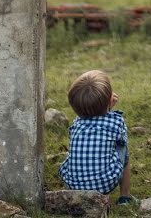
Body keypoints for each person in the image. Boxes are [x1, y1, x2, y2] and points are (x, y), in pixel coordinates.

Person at [59, 70, 134, 205]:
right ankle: (125, 197)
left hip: (72, 185)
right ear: (110, 101)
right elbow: (119, 139)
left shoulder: (76, 123)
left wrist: (106, 105)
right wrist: (109, 108)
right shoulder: (116, 121)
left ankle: (77, 187)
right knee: (124, 148)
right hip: (104, 186)